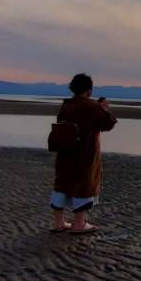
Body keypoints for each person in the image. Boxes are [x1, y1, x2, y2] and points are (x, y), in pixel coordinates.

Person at [50, 73, 117, 233]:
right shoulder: (91, 106)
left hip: (66, 150)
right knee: (84, 183)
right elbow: (107, 124)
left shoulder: (66, 105)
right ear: (88, 89)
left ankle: (58, 222)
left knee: (62, 183)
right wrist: (104, 109)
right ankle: (79, 224)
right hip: (85, 151)